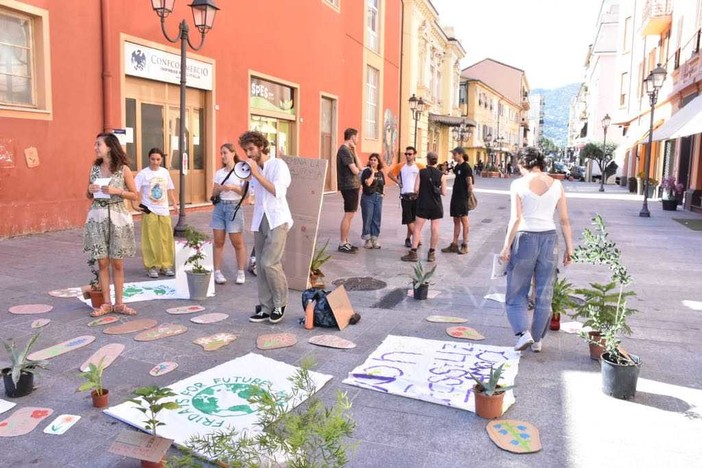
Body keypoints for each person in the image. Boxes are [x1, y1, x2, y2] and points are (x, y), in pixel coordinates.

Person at [499, 147, 574, 352]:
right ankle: (538, 339)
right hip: (550, 239)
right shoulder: (557, 184)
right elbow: (565, 220)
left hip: (525, 238)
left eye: (519, 166)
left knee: (516, 290)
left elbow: (515, 219)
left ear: (524, 164)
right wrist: (570, 247)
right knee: (544, 292)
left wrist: (506, 246)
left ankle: (523, 334)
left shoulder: (518, 184)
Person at [239, 131, 292, 324]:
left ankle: (280, 303)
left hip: (277, 219)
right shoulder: (254, 169)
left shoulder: (278, 165)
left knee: (270, 262)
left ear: (261, 146)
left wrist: (256, 175)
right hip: (259, 218)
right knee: (260, 265)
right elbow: (250, 197)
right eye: (246, 150)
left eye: (251, 149)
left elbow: (277, 191)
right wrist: (245, 181)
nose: (249, 153)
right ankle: (266, 307)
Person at [84, 132, 138, 317]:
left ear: (109, 147)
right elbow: (88, 194)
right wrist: (90, 190)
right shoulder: (94, 169)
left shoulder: (123, 170)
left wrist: (117, 191)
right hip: (97, 217)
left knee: (117, 263)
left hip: (118, 218)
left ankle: (120, 303)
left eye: (98, 144)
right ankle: (106, 303)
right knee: (102, 262)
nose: (95, 147)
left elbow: (135, 195)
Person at [132, 148, 178, 278]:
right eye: (153, 159)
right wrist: (134, 205)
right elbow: (134, 190)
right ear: (149, 158)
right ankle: (152, 266)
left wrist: (174, 204)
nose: (155, 162)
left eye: (158, 159)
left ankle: (166, 265)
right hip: (149, 209)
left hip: (164, 210)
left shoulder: (164, 173)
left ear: (161, 160)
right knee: (150, 238)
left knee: (166, 238)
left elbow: (170, 190)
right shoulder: (143, 174)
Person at [209, 143, 249, 285]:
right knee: (218, 241)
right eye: (221, 153)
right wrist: (219, 189)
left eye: (225, 152)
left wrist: (232, 187)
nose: (223, 156)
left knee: (237, 242)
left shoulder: (242, 171)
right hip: (220, 207)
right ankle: (217, 272)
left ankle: (240, 272)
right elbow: (212, 193)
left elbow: (246, 194)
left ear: (233, 153)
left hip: (234, 207)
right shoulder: (219, 173)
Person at [401, 152, 446, 263]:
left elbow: (416, 189)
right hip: (436, 205)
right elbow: (444, 192)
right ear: (436, 160)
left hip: (423, 204)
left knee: (417, 228)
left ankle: (413, 252)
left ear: (427, 160)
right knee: (435, 229)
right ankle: (431, 253)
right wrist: (437, 190)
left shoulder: (421, 172)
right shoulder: (442, 175)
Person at [387, 146, 425, 248]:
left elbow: (426, 176)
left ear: (414, 155)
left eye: (410, 154)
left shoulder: (420, 166)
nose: (408, 156)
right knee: (408, 219)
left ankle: (409, 238)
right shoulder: (401, 166)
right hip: (405, 195)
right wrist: (398, 182)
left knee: (413, 220)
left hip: (416, 196)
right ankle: (418, 239)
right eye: (406, 154)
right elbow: (390, 174)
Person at [441, 147, 473, 255]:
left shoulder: (466, 167)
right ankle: (454, 244)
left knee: (465, 221)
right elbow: (446, 171)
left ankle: (465, 245)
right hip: (455, 197)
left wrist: (466, 198)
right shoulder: (458, 166)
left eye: (454, 154)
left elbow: (470, 184)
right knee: (456, 220)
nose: (453, 156)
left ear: (460, 154)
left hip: (462, 198)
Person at [337, 128, 361, 253]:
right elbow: (356, 170)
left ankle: (346, 241)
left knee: (350, 214)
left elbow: (360, 166)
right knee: (348, 214)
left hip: (353, 185)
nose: (357, 139)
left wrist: (355, 150)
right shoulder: (344, 151)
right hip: (349, 186)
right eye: (357, 137)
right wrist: (358, 170)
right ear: (352, 137)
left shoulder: (349, 150)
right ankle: (342, 243)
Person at [360, 153, 385, 249]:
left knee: (376, 218)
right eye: (371, 159)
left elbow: (383, 185)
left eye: (375, 160)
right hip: (368, 197)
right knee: (368, 218)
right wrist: (373, 172)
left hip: (378, 197)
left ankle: (374, 238)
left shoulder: (381, 173)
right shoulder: (367, 171)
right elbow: (368, 183)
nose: (372, 161)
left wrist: (383, 194)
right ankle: (367, 239)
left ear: (378, 162)